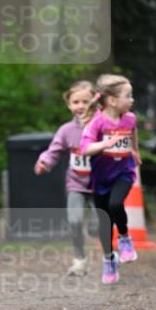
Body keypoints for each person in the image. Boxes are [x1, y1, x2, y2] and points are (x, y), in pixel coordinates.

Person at [79, 74, 140, 285]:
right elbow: (85, 148)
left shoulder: (130, 118)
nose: (132, 100)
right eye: (128, 96)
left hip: (124, 171)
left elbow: (133, 133)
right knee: (105, 220)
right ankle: (108, 259)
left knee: (116, 204)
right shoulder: (97, 122)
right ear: (112, 100)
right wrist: (104, 144)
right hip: (101, 177)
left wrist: (135, 150)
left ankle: (124, 238)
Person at [34, 80, 98, 276]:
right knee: (74, 221)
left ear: (94, 102)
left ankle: (110, 256)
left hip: (100, 184)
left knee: (97, 227)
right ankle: (79, 260)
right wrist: (44, 162)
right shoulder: (66, 130)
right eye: (76, 102)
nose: (80, 106)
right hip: (76, 183)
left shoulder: (103, 126)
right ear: (69, 104)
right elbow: (54, 151)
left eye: (85, 101)